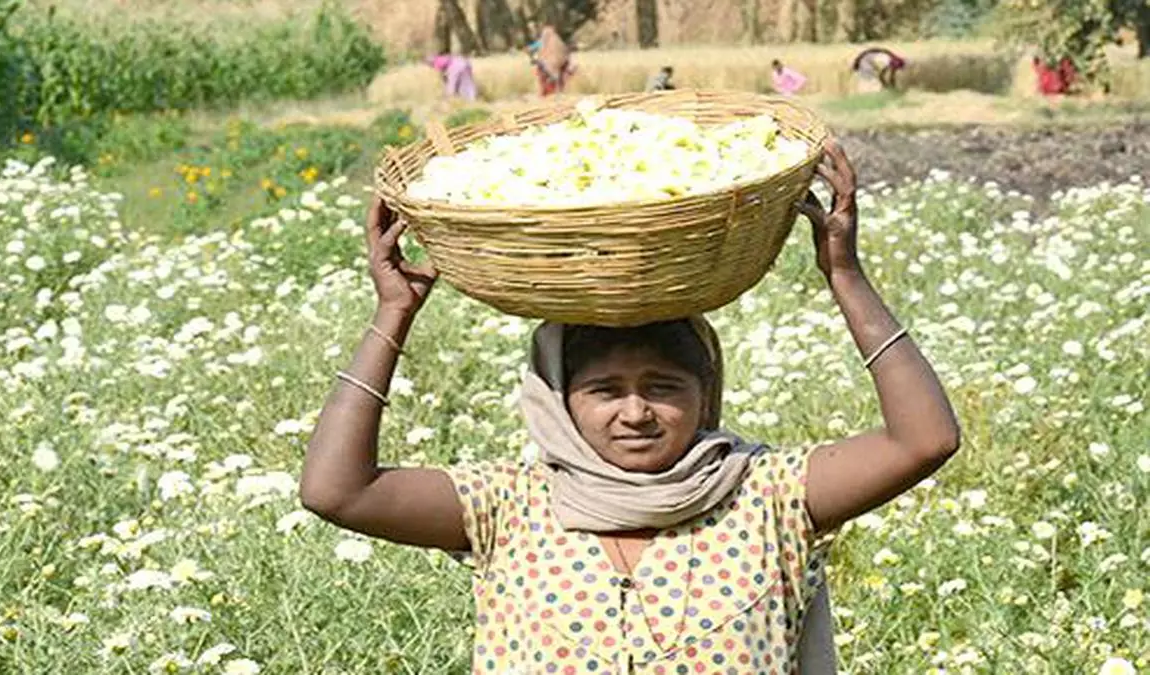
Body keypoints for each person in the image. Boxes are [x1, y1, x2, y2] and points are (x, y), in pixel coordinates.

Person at [300, 139, 960, 673]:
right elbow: (336, 490)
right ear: (559, 401)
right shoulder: (511, 505)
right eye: (604, 390)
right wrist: (394, 312)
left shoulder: (768, 496)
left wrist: (844, 274)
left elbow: (924, 439)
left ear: (706, 397)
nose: (636, 411)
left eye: (664, 386)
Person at [528, 24, 573, 96]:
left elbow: (533, 47)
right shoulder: (558, 41)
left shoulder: (545, 40)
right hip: (561, 64)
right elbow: (566, 54)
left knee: (542, 73)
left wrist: (530, 51)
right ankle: (558, 91)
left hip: (550, 65)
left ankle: (547, 92)